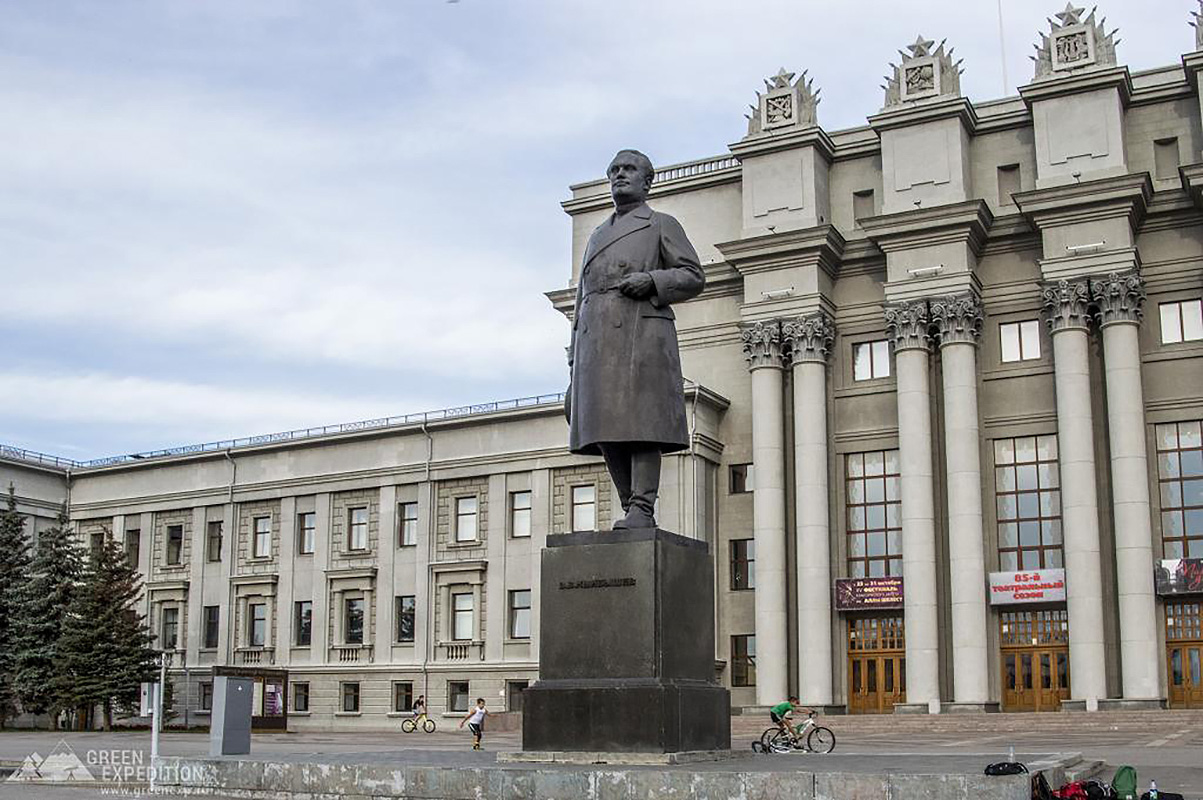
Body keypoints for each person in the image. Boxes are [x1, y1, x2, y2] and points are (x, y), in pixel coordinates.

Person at [565, 149, 705, 530]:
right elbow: (581, 299)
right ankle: (632, 507)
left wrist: (653, 281)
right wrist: (574, 362)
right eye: (614, 170)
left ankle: (642, 506)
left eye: (629, 170)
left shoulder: (660, 224)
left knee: (641, 423)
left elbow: (693, 275)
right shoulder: (596, 234)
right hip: (596, 346)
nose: (620, 175)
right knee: (603, 428)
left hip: (640, 336)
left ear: (647, 181)